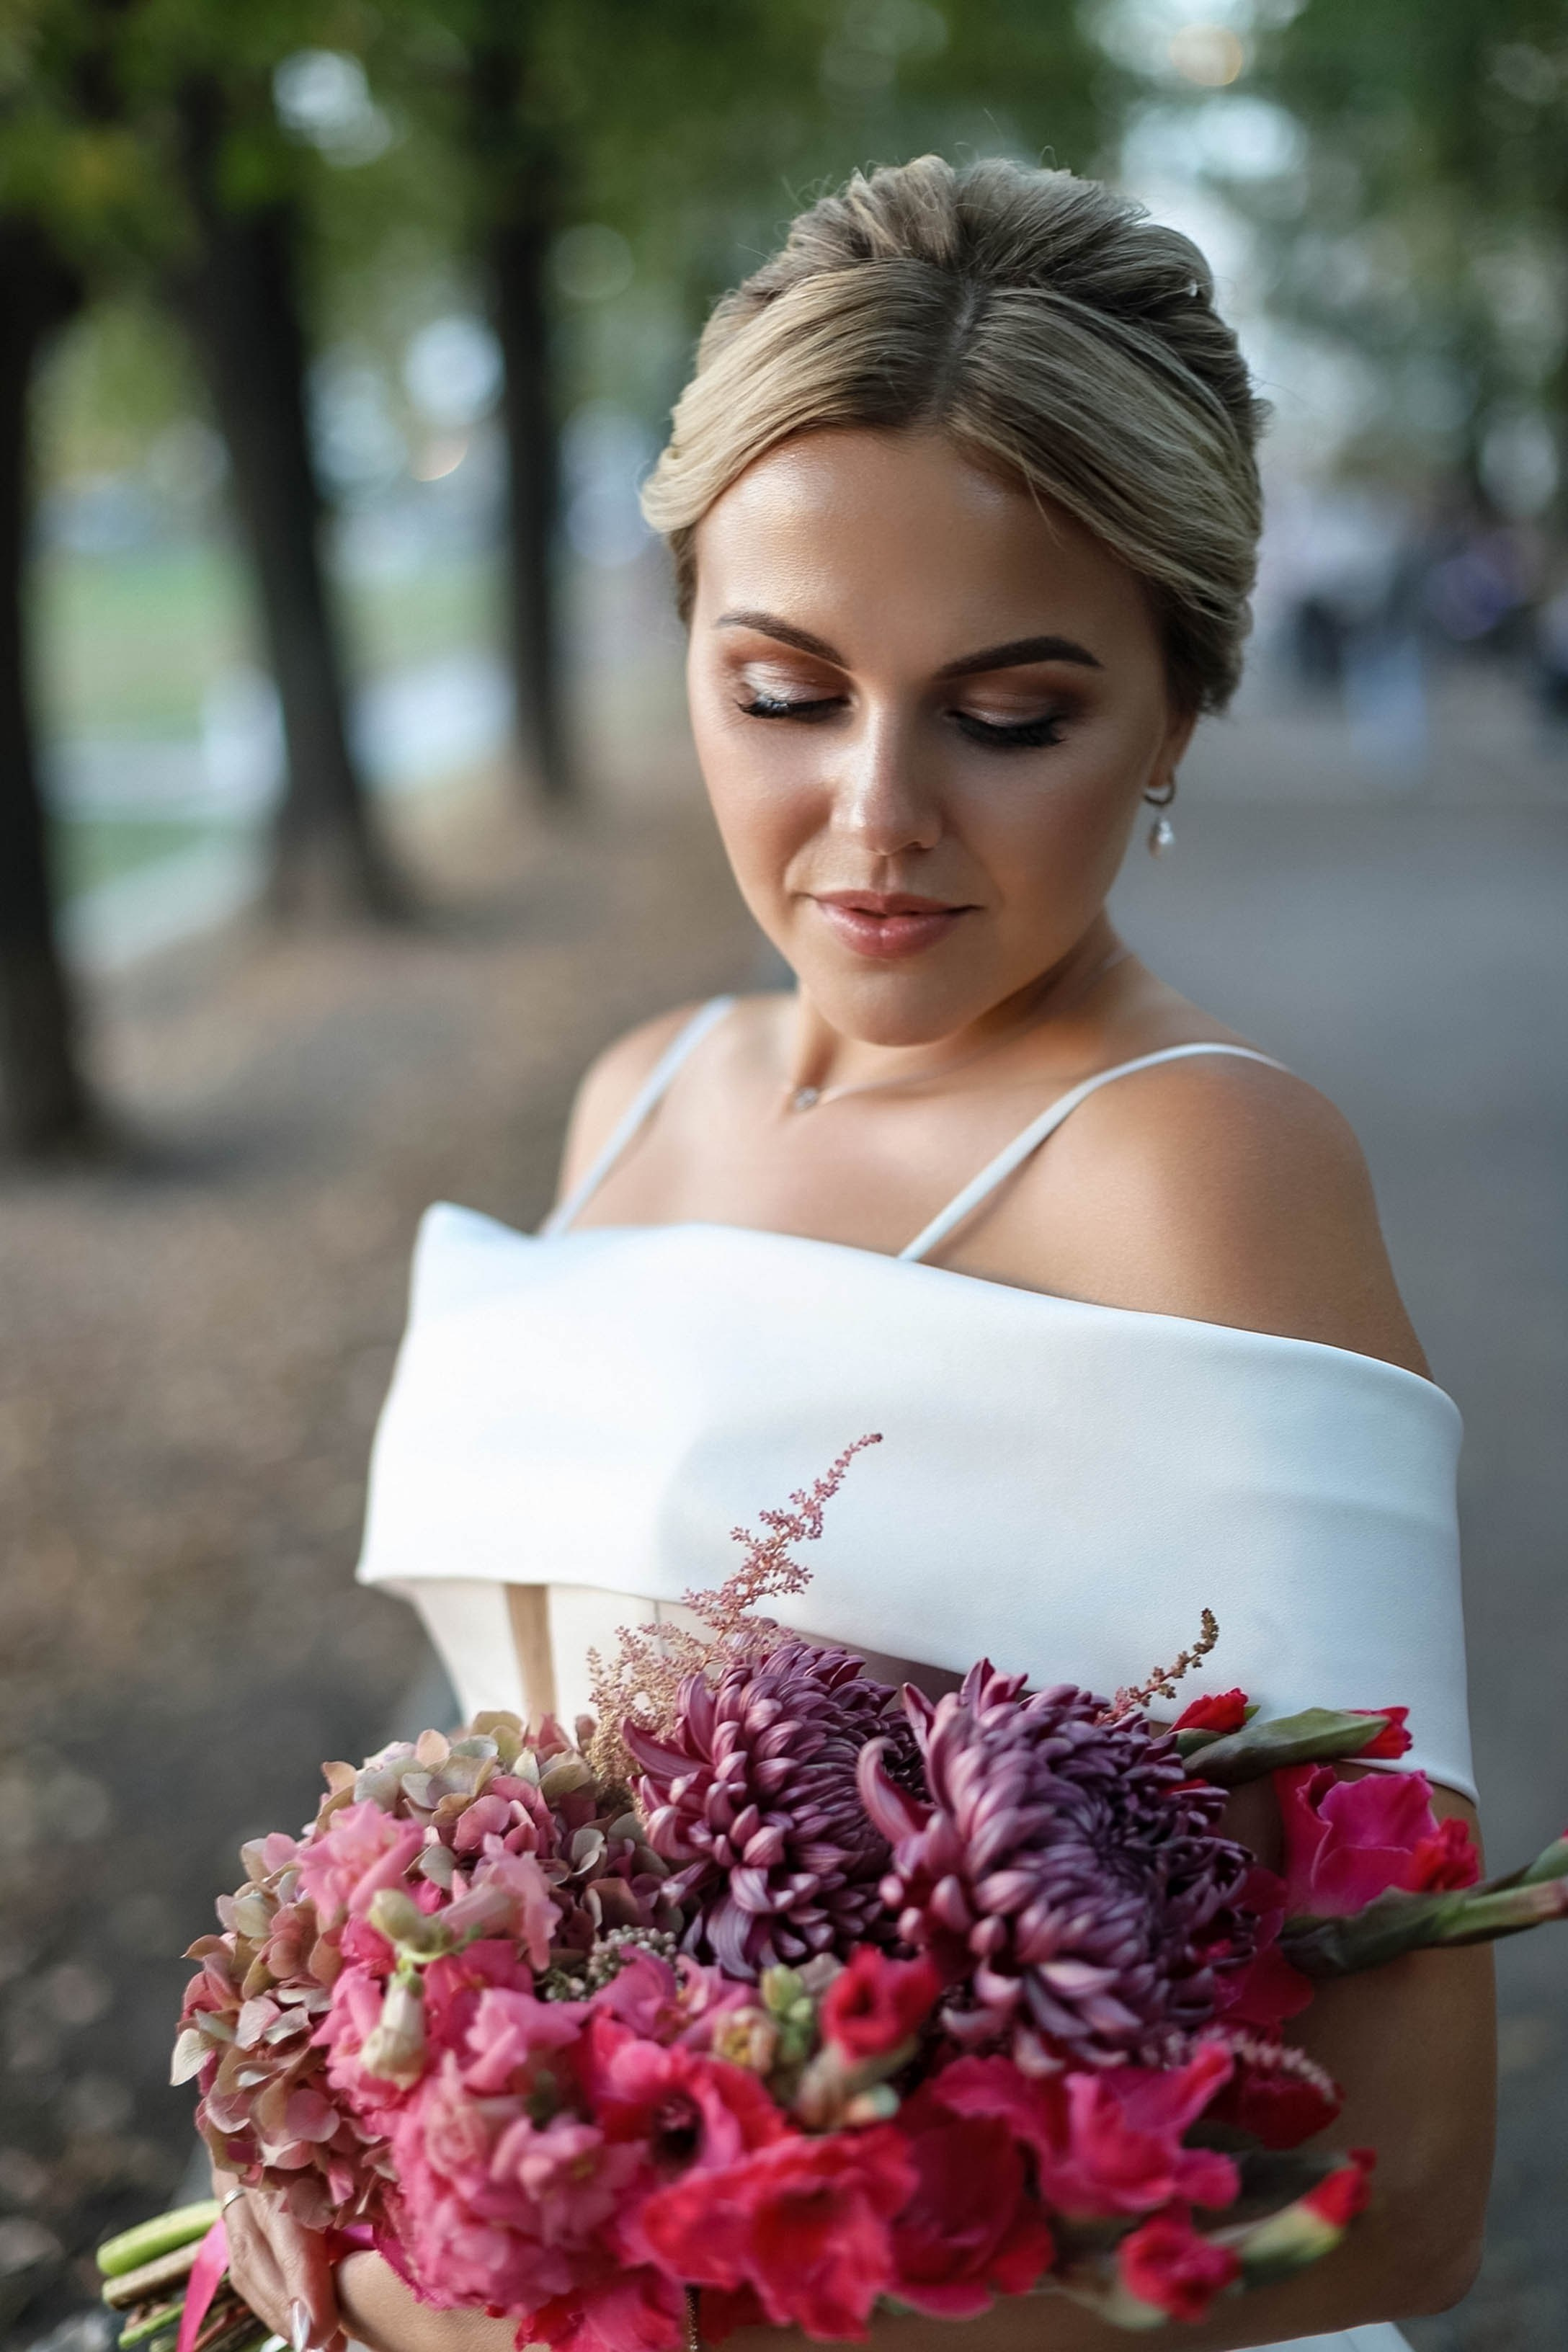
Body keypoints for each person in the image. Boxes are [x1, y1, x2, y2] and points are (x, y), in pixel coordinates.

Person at [219, 156, 1494, 2352]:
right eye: (785, 691)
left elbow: (1402, 2192)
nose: (879, 817)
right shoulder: (633, 1088)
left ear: (1180, 701)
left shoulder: (1201, 1170)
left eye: (1011, 717)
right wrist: (338, 2133)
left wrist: (611, 2315)